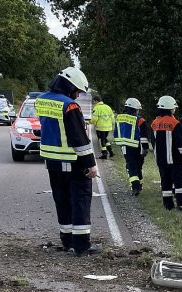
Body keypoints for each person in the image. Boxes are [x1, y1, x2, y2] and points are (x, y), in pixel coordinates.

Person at [34, 66, 100, 256]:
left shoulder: (42, 100)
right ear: (69, 86)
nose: (77, 96)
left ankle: (67, 241)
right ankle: (81, 245)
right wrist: (91, 164)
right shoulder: (69, 106)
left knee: (61, 200)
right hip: (73, 161)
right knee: (80, 201)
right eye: (77, 91)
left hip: (51, 161)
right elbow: (79, 138)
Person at [151, 95, 182, 210]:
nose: (175, 109)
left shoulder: (155, 122)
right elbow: (180, 143)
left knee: (165, 182)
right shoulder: (174, 123)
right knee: (179, 183)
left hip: (160, 160)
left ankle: (168, 205)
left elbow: (153, 141)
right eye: (174, 108)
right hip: (175, 160)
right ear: (170, 108)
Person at [113, 98, 150, 196]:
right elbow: (144, 136)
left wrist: (120, 144)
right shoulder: (140, 120)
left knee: (131, 166)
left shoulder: (119, 118)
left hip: (125, 146)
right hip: (137, 147)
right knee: (138, 165)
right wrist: (145, 148)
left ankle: (136, 186)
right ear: (135, 109)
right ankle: (137, 185)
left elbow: (116, 132)